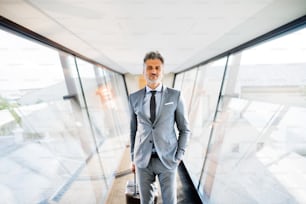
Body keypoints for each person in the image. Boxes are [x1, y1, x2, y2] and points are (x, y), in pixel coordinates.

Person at [128, 51, 191, 204]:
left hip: (168, 159)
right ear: (144, 71)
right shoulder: (134, 98)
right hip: (143, 160)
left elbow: (185, 129)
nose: (154, 71)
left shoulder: (175, 96)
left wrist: (179, 155)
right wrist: (132, 158)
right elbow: (133, 130)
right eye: (149, 67)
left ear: (162, 71)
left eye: (157, 68)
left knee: (170, 201)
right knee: (145, 202)